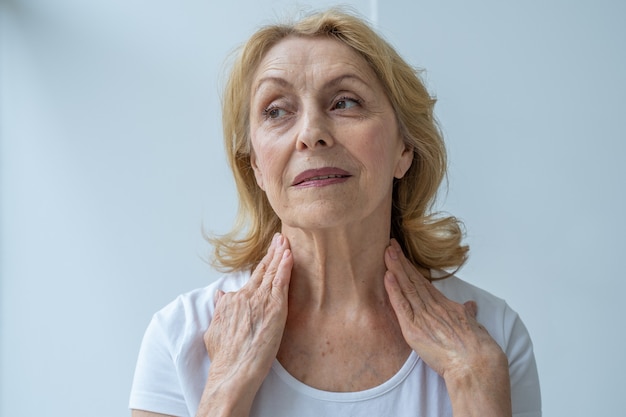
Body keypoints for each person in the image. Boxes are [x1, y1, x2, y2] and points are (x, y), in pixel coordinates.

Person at [129, 8, 541, 417]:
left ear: (404, 149)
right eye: (276, 110)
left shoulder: (491, 340)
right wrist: (224, 390)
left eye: (345, 102)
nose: (311, 133)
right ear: (255, 165)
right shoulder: (180, 338)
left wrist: (477, 385)